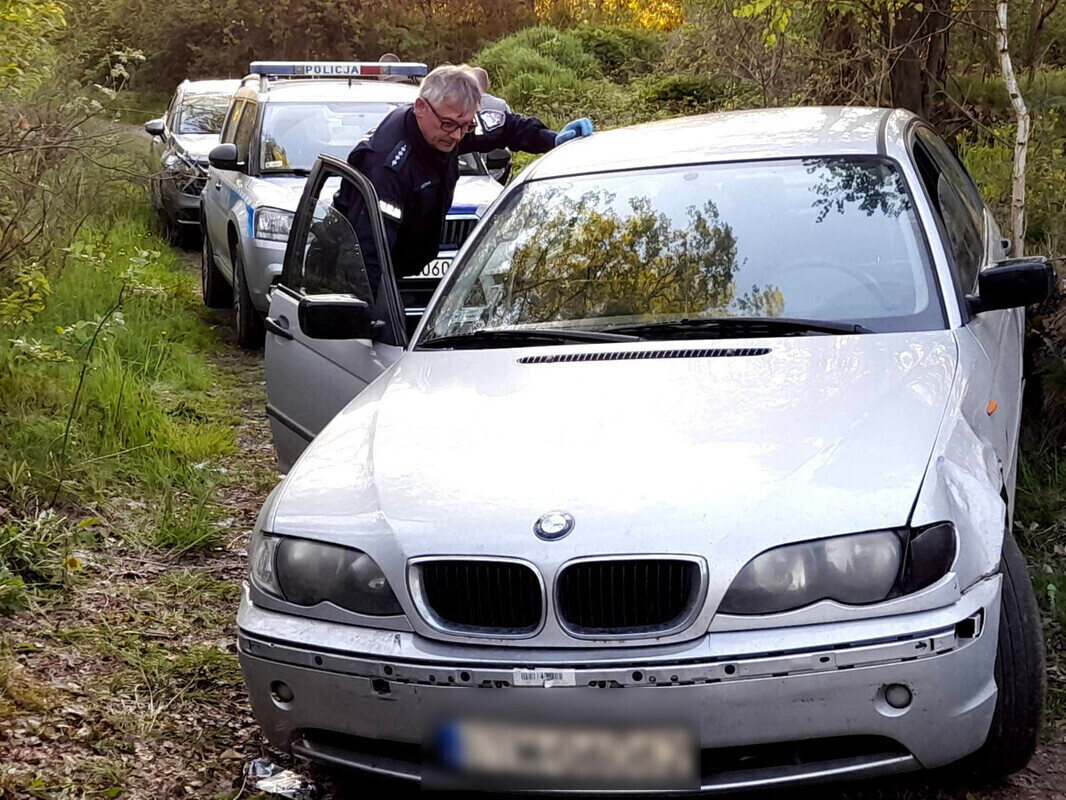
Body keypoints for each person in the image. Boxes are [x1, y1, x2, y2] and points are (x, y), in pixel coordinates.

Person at [334, 64, 593, 292]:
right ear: (421, 107)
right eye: (450, 125)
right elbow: (366, 257)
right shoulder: (386, 165)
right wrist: (370, 316)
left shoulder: (448, 123)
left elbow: (505, 127)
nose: (458, 136)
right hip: (361, 272)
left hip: (408, 262)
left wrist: (552, 139)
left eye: (465, 126)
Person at [469, 66, 512, 182]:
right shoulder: (500, 105)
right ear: (487, 85)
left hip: (468, 167)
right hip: (496, 169)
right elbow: (511, 135)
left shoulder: (460, 103)